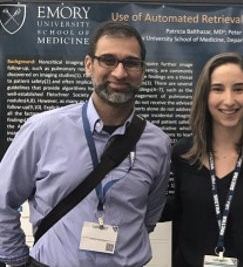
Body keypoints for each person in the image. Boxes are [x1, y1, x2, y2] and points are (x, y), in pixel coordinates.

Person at [0, 21, 171, 267]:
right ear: (89, 65)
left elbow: (148, 217)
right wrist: (18, 261)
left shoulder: (157, 143)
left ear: (142, 71)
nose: (119, 73)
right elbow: (3, 200)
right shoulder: (43, 130)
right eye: (108, 60)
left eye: (130, 63)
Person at [162, 52, 243, 267]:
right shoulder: (183, 154)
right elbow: (176, 212)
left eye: (239, 89)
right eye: (218, 89)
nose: (229, 100)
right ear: (205, 95)